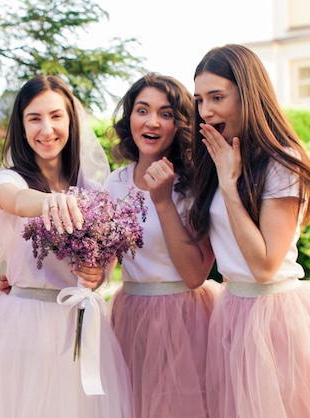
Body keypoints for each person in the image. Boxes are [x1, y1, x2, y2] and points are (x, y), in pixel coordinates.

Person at [190, 44, 310, 418]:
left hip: (277, 317)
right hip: (232, 311)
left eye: (217, 97)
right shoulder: (220, 157)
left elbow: (264, 266)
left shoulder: (282, 162)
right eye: (199, 99)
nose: (206, 111)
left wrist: (229, 186)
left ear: (248, 95)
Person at [0, 75, 133, 418]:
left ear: (71, 121)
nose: (46, 129)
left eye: (56, 116)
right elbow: (17, 201)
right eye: (34, 118)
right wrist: (50, 202)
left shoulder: (94, 188)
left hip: (80, 323)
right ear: (21, 128)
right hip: (25, 324)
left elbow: (101, 264)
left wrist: (96, 275)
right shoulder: (9, 179)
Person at [104, 73, 219, 418]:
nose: (152, 122)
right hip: (130, 315)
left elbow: (195, 273)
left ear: (179, 125)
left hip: (185, 318)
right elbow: (102, 265)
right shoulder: (115, 182)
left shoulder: (194, 184)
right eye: (143, 110)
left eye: (166, 114)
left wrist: (163, 200)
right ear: (130, 119)